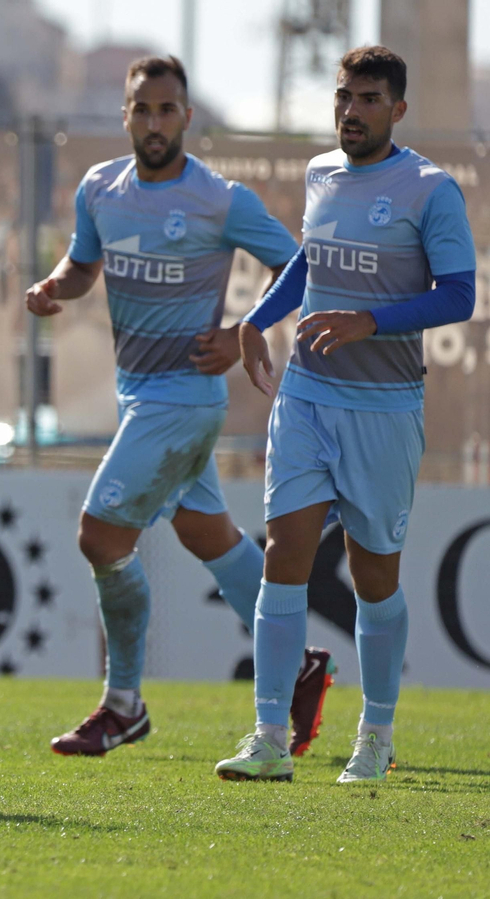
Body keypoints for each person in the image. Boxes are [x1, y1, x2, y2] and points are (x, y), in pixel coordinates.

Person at [25, 55, 335, 757]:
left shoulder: (219, 199)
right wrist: (54, 286)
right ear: (126, 115)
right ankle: (301, 662)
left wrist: (242, 331)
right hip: (141, 392)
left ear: (187, 117)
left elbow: (302, 266)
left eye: (168, 110)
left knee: (100, 536)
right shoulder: (100, 189)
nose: (156, 122)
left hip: (185, 398)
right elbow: (82, 265)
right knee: (207, 534)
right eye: (143, 109)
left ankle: (124, 703)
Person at [216, 47, 475, 784]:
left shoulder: (430, 189)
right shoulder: (321, 172)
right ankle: (270, 733)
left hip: (386, 406)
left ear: (397, 108)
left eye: (366, 98)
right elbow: (311, 257)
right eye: (342, 97)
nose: (350, 111)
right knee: (283, 555)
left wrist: (371, 320)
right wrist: (259, 315)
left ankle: (377, 730)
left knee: (374, 579)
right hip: (307, 394)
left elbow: (458, 295)